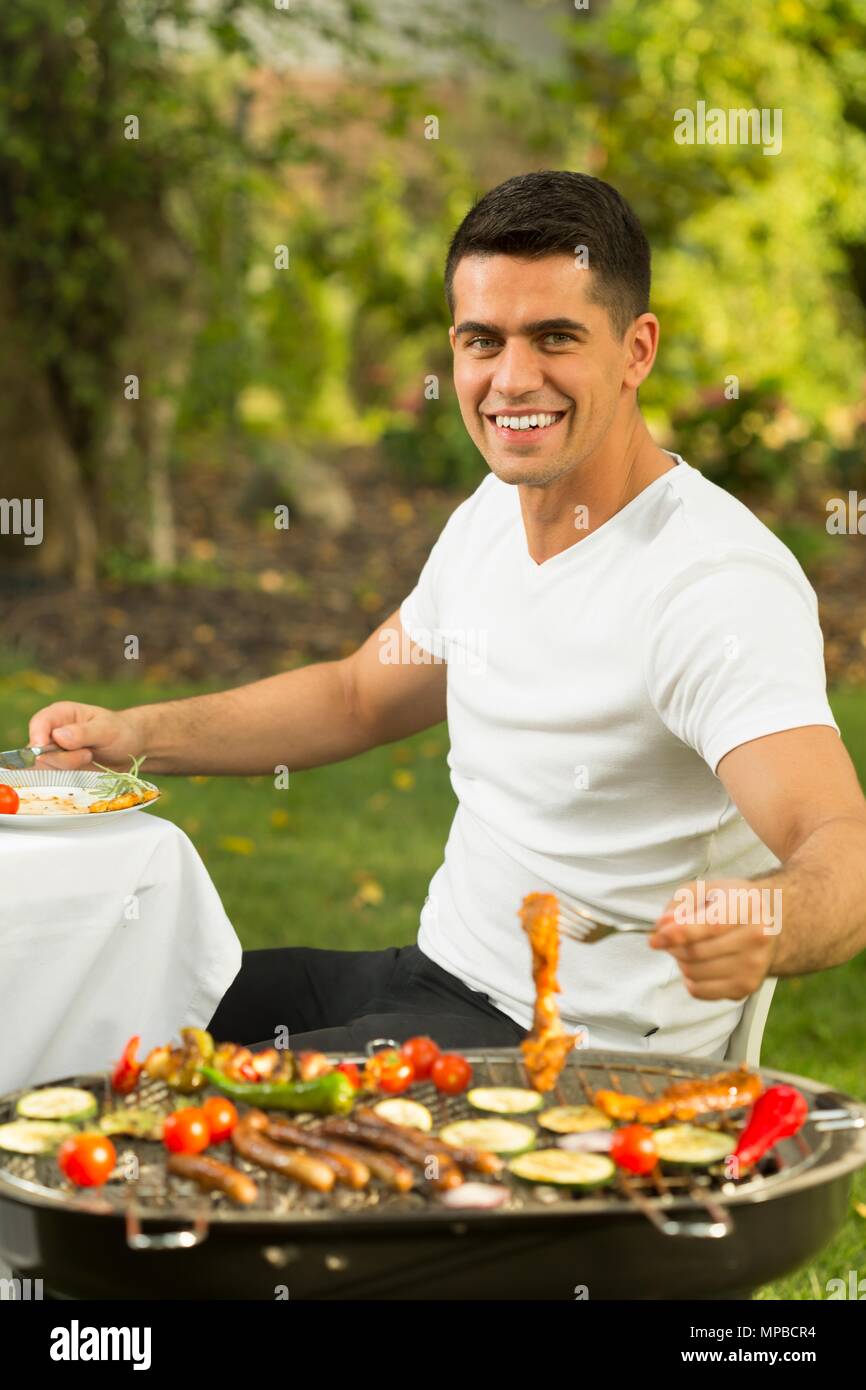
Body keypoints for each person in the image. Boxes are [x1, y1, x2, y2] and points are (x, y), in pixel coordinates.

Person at [29, 170, 866, 1060]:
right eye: (483, 340)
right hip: (433, 976)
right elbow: (357, 697)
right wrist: (134, 734)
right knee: (102, 1002)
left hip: (564, 1049)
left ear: (636, 349)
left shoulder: (710, 582)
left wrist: (765, 914)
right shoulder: (494, 515)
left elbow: (840, 844)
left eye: (555, 338)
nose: (512, 379)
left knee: (177, 1099)